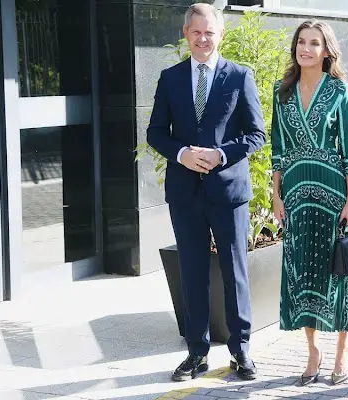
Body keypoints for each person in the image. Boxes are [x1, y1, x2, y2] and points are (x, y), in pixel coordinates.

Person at [146, 3, 265, 382]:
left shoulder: (240, 76)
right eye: (196, 32)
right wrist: (182, 154)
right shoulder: (170, 78)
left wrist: (220, 154)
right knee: (193, 273)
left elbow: (257, 134)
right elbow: (155, 132)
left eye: (209, 32)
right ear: (186, 34)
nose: (202, 39)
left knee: (235, 272)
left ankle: (241, 351)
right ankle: (195, 354)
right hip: (185, 193)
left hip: (228, 191)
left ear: (220, 35)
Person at [270, 19, 348, 387]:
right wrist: (276, 195)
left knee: (336, 272)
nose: (306, 49)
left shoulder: (339, 91)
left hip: (332, 195)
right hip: (294, 195)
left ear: (326, 50)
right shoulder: (282, 91)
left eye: (314, 43)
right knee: (302, 270)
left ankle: (342, 350)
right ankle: (313, 350)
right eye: (301, 42)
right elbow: (277, 149)